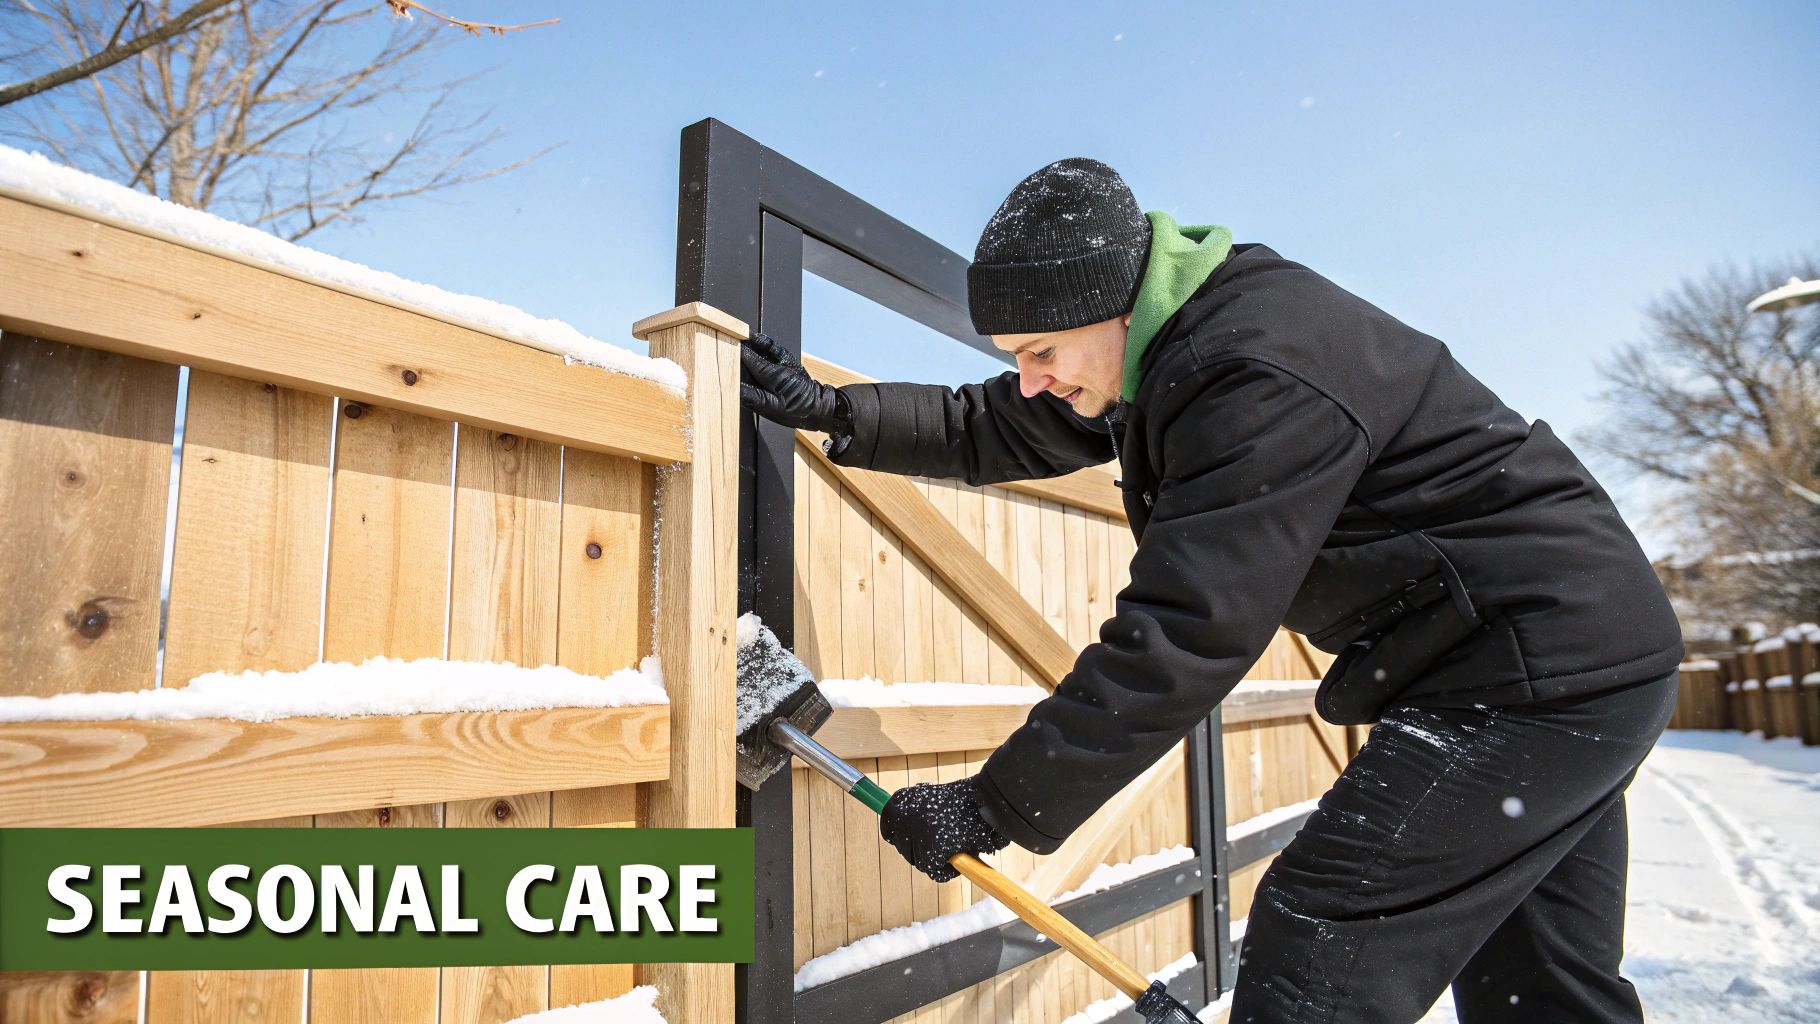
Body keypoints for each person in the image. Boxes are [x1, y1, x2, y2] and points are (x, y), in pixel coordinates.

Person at [739, 157, 1682, 1023]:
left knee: (1320, 939)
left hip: (1526, 678)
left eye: (1040, 351)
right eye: (1015, 355)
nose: (1027, 381)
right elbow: (1005, 426)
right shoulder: (1170, 344)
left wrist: (995, 805)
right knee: (1541, 986)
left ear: (1111, 309)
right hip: (1574, 658)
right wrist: (838, 412)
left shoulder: (1253, 376)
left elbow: (1188, 629)